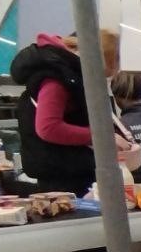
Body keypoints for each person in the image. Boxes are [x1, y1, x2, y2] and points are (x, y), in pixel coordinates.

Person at [11, 30, 128, 196]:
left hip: (67, 172)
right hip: (63, 179)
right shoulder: (57, 78)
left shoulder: (65, 73)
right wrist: (101, 137)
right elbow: (48, 127)